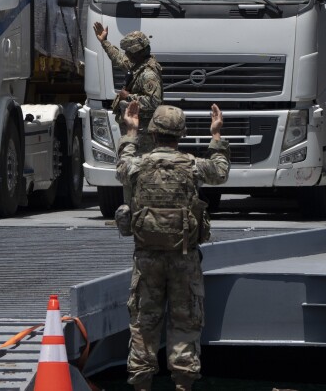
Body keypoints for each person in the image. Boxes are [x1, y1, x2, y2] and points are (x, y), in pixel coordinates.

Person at [116, 99, 229, 391]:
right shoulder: (192, 166)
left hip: (146, 259)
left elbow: (121, 166)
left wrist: (130, 132)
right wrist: (216, 135)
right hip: (184, 257)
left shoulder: (138, 165)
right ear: (180, 135)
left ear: (152, 133)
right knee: (185, 323)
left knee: (144, 323)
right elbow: (220, 171)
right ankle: (183, 384)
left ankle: (141, 384)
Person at [94, 22, 163, 152]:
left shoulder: (148, 74)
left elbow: (154, 101)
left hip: (143, 133)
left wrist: (129, 97)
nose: (126, 55)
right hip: (136, 128)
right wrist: (104, 42)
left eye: (128, 52)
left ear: (136, 52)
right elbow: (119, 59)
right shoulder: (138, 65)